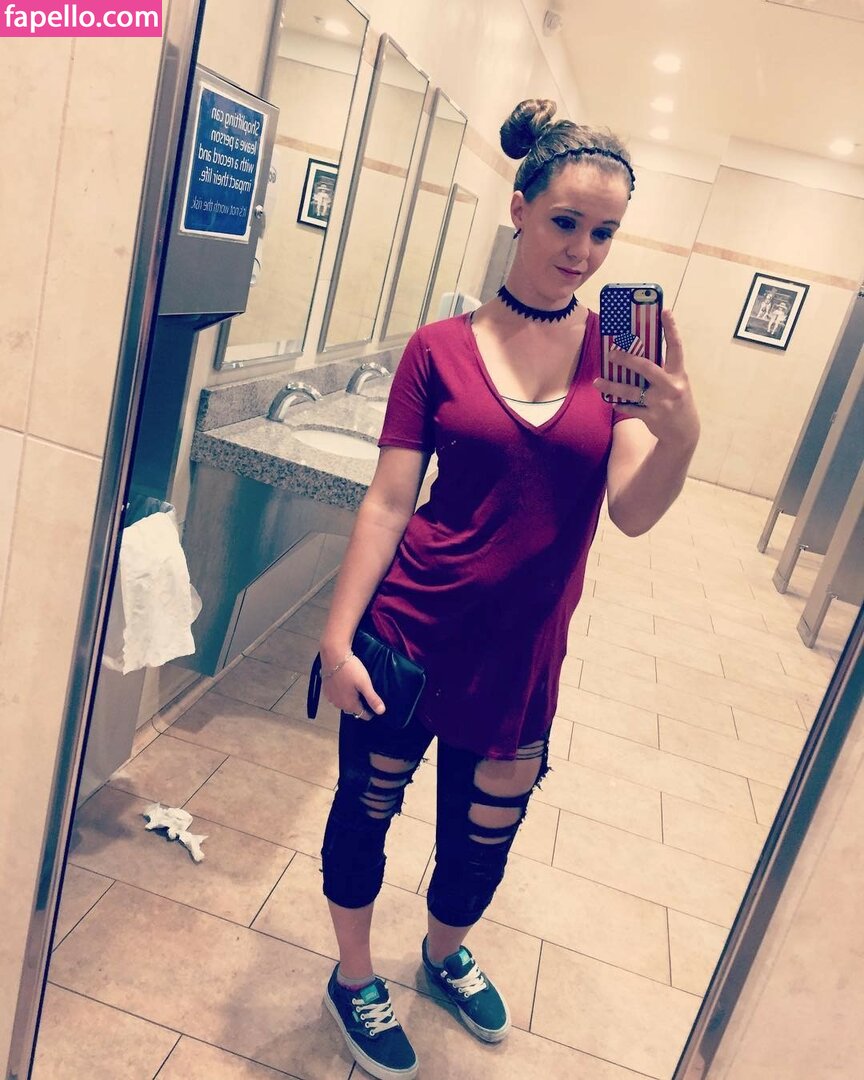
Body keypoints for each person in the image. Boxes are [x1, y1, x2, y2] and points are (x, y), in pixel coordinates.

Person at [317, 97, 700, 1079]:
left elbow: (632, 510)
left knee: (482, 840)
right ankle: (354, 976)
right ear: (521, 207)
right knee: (365, 810)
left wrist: (683, 432)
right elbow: (388, 503)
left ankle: (443, 955)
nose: (584, 251)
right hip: (409, 633)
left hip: (523, 655)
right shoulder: (437, 348)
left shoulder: (617, 357)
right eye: (567, 222)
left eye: (605, 232)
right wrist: (338, 636)